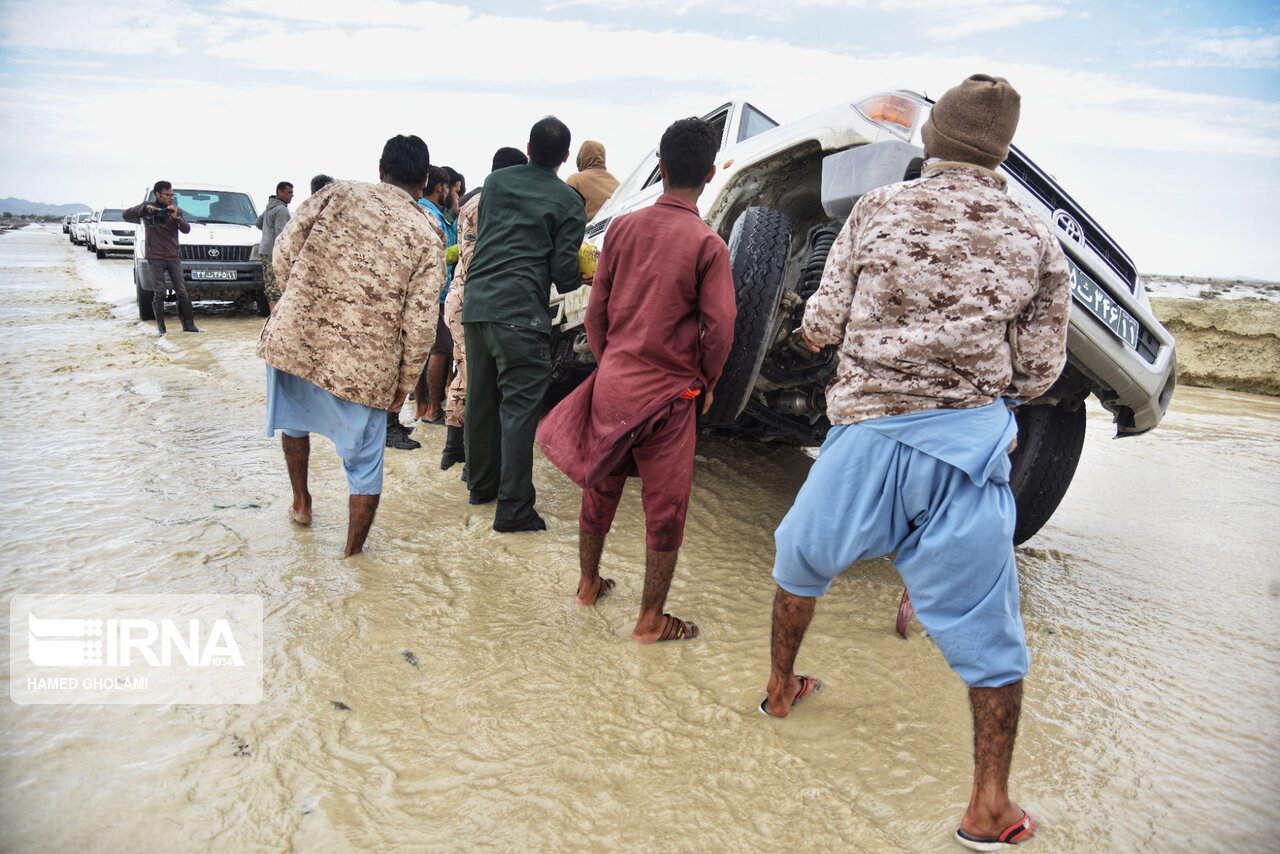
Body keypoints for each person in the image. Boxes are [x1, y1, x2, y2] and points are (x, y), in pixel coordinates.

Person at [760, 75, 1071, 851]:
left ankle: (779, 689)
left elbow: (821, 325)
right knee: (991, 637)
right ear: (1001, 150)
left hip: (865, 437)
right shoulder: (1036, 236)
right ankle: (988, 807)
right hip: (964, 452)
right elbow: (1040, 375)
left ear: (934, 139)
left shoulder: (876, 209)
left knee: (801, 560)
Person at [537, 117, 736, 642]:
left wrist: (612, 363)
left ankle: (587, 584)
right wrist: (709, 381)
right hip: (670, 397)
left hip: (615, 385)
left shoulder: (622, 229)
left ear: (662, 168)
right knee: (664, 509)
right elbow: (720, 329)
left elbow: (595, 313)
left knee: (600, 485)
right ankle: (650, 620)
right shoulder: (708, 244)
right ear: (711, 174)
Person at [257, 134, 445, 557]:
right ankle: (352, 555)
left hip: (296, 341)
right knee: (364, 466)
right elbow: (419, 322)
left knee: (294, 421)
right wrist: (404, 384)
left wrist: (301, 303)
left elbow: (284, 252)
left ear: (380, 169)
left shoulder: (335, 193)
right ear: (425, 179)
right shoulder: (426, 233)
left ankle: (302, 503)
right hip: (365, 365)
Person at [462, 116, 587, 532]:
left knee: (481, 398)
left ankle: (481, 488)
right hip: (520, 313)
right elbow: (563, 275)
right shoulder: (568, 201)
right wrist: (588, 272)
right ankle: (514, 510)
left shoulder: (495, 183)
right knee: (518, 410)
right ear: (565, 157)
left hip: (477, 305)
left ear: (528, 147)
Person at [441, 146, 529, 473]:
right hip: (477, 301)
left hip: (461, 298)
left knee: (468, 374)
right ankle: (462, 455)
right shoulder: (495, 204)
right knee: (474, 380)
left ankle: (459, 454)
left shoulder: (471, 204)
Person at [413, 166, 459, 425]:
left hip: (431, 292)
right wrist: (466, 248)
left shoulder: (431, 213)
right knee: (440, 350)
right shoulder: (430, 215)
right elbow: (438, 254)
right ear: (441, 187)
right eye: (453, 190)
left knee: (425, 351)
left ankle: (422, 407)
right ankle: (432, 410)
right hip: (436, 293)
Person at [124, 181, 196, 335]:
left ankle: (189, 325)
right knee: (160, 292)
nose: (171, 198)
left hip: (173, 256)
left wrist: (176, 218)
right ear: (158, 194)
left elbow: (187, 230)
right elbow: (126, 215)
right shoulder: (148, 208)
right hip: (155, 256)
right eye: (168, 195)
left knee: (182, 291)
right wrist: (144, 209)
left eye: (172, 194)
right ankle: (161, 328)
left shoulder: (176, 210)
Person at [256, 181, 294, 313]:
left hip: (264, 250)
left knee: (270, 284)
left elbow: (258, 223)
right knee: (276, 285)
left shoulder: (270, 206)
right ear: (280, 192)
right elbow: (281, 235)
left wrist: (267, 233)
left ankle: (273, 317)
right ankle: (275, 317)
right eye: (289, 192)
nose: (292, 195)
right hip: (274, 252)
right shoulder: (281, 209)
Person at [566, 140, 619, 220]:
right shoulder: (617, 183)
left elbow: (564, 212)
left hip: (588, 230)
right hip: (614, 228)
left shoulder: (574, 180)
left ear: (581, 158)